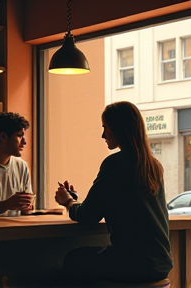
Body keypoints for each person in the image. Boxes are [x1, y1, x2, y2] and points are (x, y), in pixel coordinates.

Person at [55, 101, 173, 285]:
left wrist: (68, 202)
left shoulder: (115, 163)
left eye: (105, 127)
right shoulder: (153, 165)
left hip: (132, 265)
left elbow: (88, 216)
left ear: (118, 128)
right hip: (160, 265)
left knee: (73, 259)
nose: (103, 134)